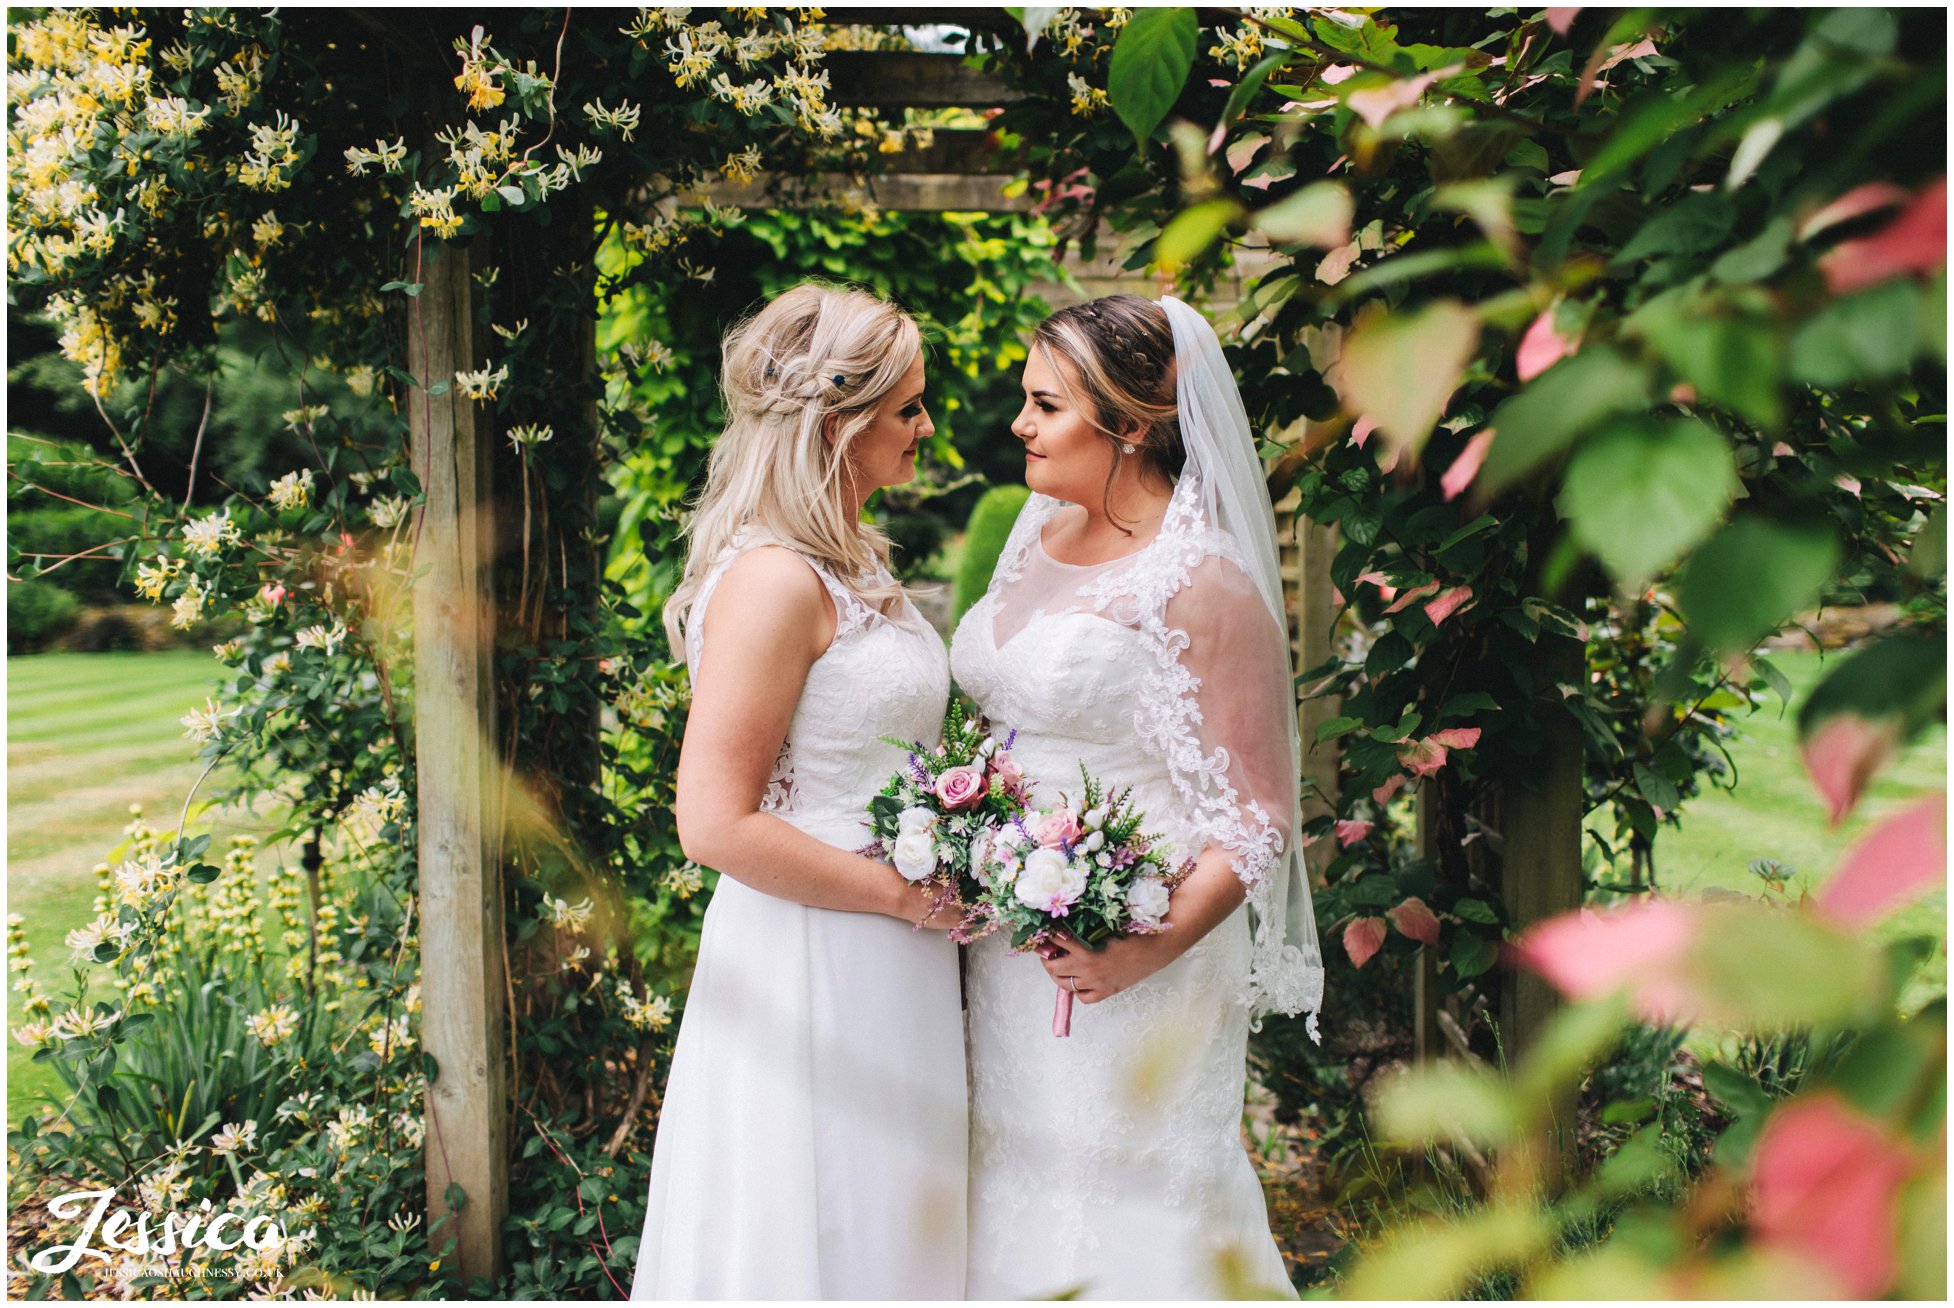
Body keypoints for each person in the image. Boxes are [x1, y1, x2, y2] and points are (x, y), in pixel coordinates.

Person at [950, 294, 1324, 1299]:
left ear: (1127, 425)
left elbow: (1259, 818)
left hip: (1143, 938)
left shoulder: (1203, 584)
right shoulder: (1034, 538)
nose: (1020, 424)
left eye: (1044, 405)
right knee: (1014, 1169)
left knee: (1121, 1192)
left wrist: (1140, 945)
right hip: (1012, 940)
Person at [632, 283, 966, 1300]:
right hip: (817, 949)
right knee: (817, 1221)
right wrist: (903, 897)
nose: (923, 427)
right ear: (838, 422)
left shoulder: (852, 557)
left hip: (888, 949)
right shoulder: (776, 580)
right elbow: (714, 822)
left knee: (886, 1224)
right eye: (905, 408)